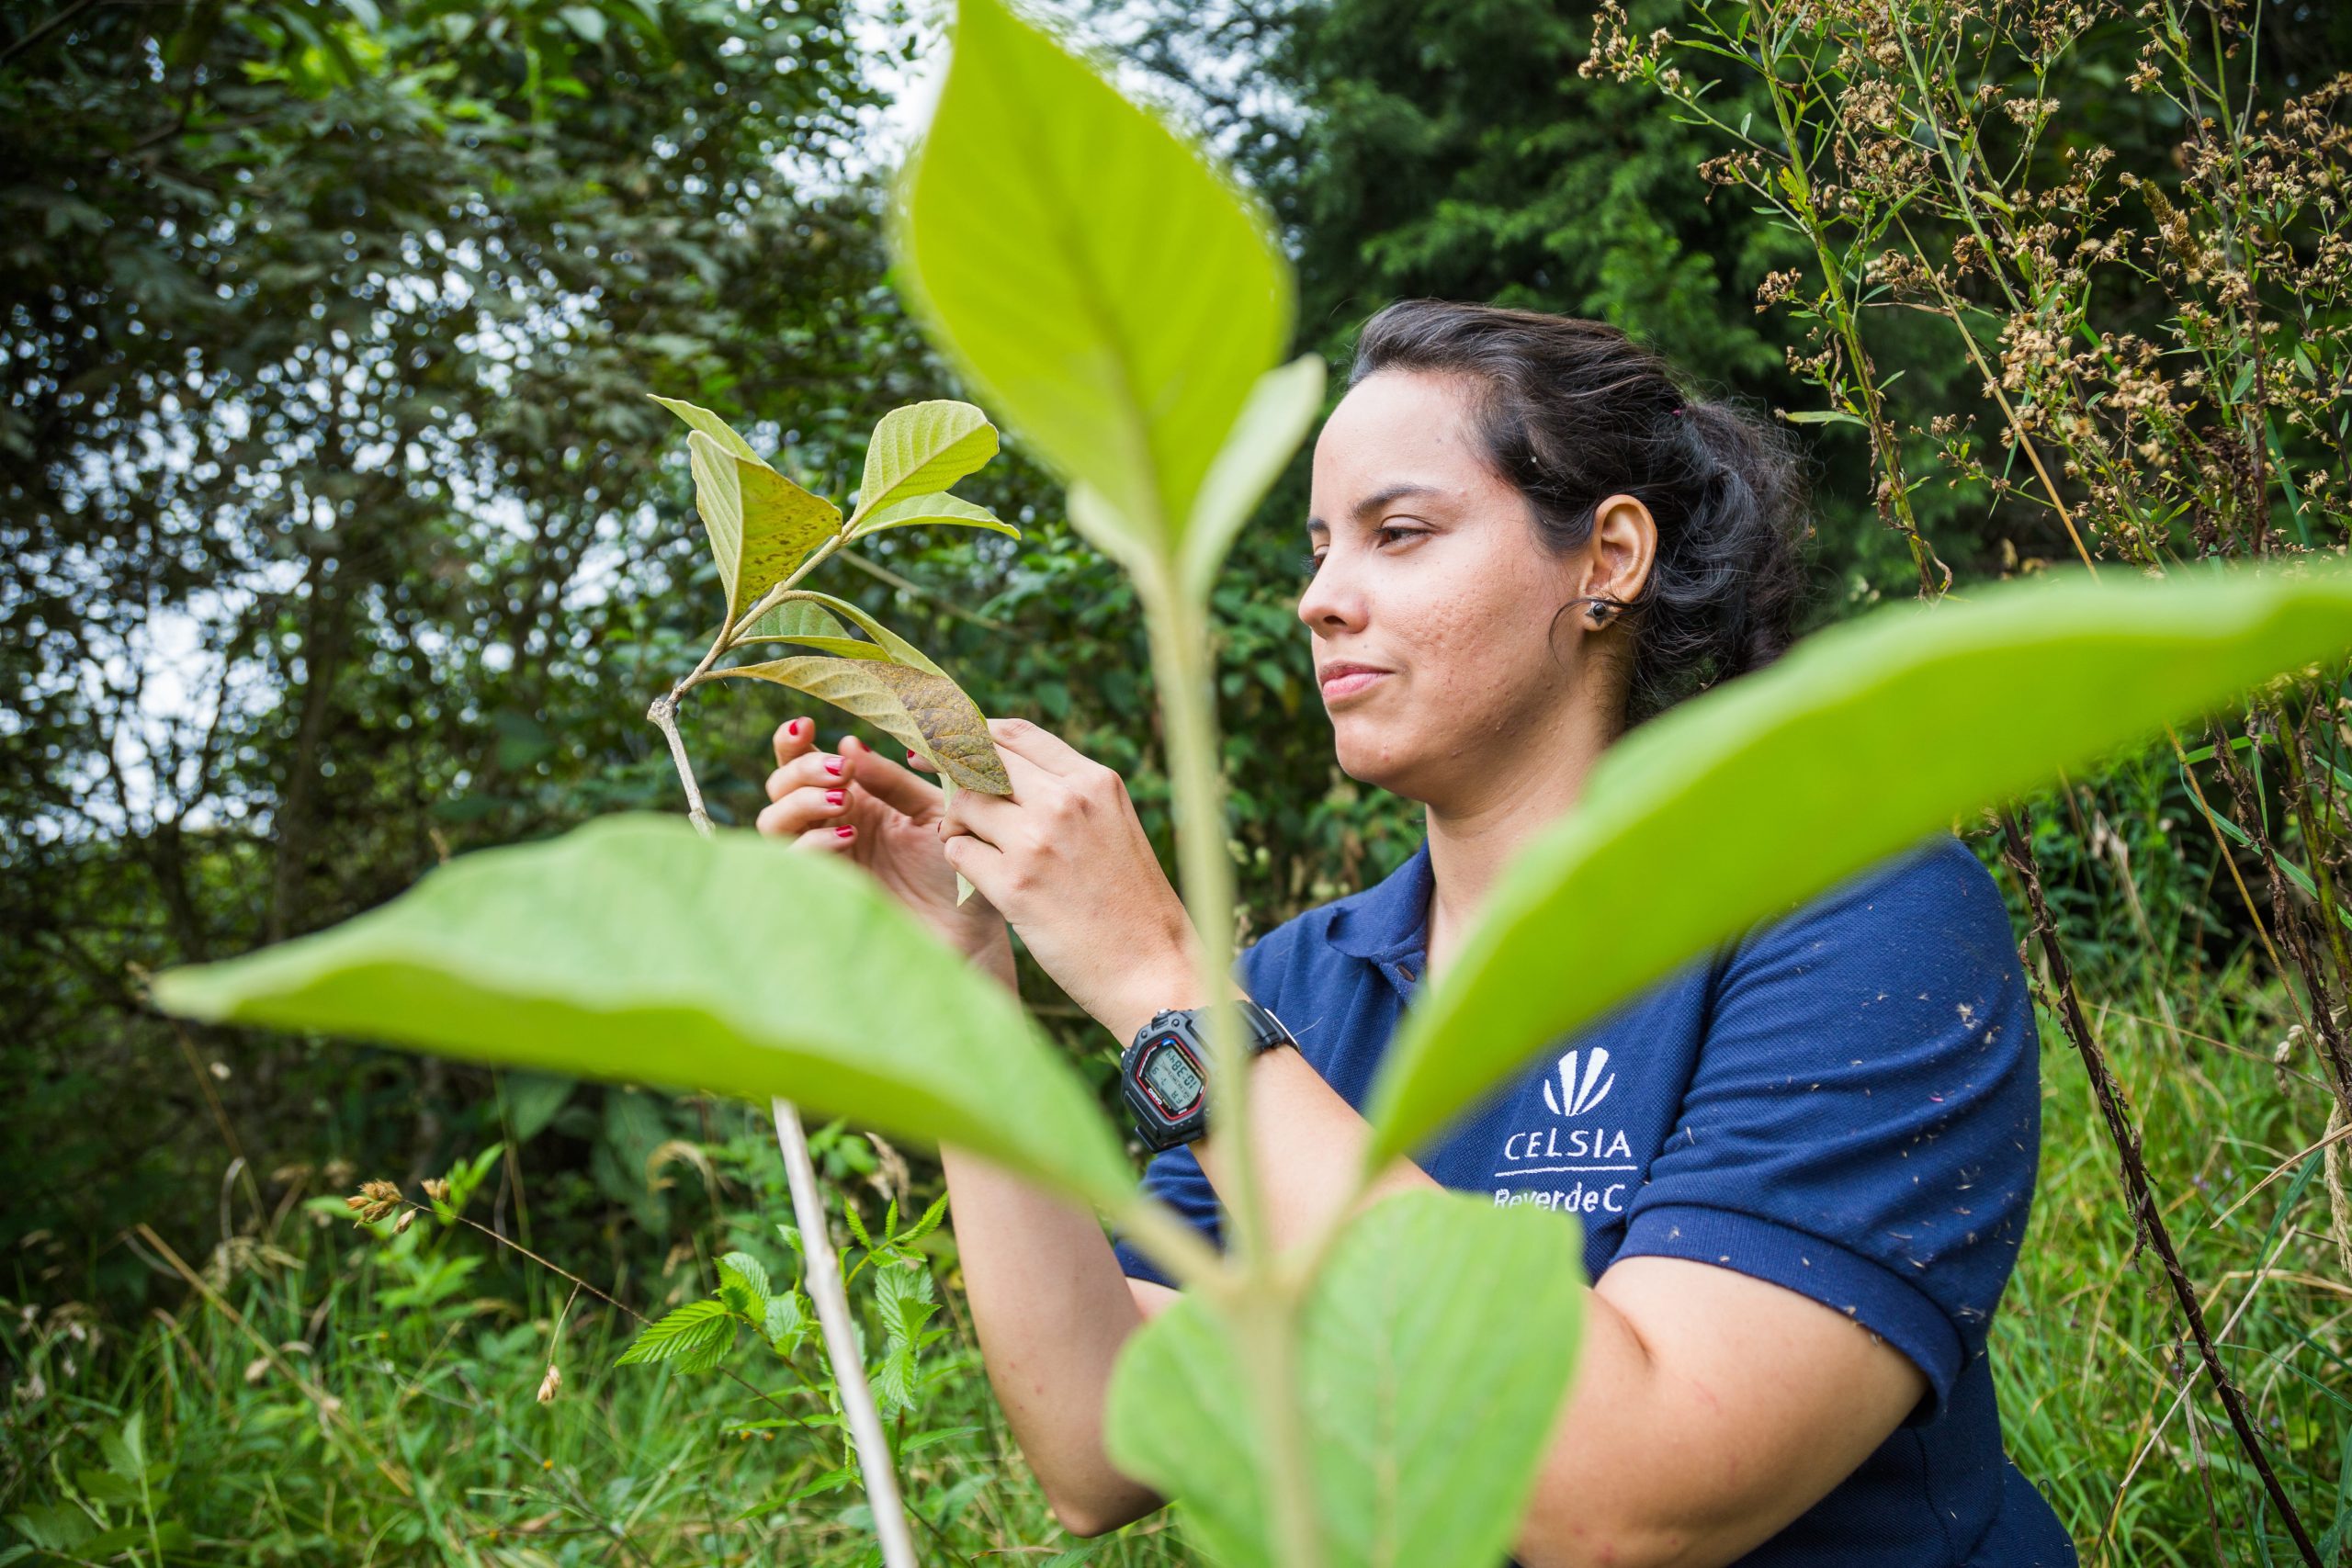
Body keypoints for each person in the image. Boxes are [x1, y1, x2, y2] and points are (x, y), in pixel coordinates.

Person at [752, 299, 2076, 1566]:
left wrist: (1163, 985)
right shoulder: (1301, 990)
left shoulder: (1854, 911)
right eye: (1318, 549)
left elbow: (1638, 1505)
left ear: (1608, 559)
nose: (1322, 599)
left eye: (1398, 533)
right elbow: (1101, 1443)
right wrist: (968, 992)